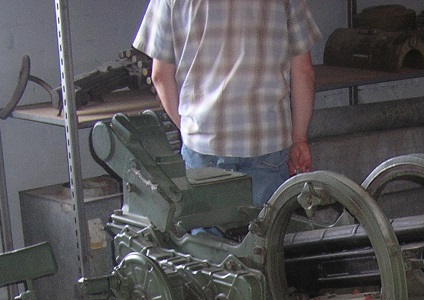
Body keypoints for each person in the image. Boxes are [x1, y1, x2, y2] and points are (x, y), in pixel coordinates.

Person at [133, 0, 321, 205]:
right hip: (268, 142)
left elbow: (160, 76)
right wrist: (299, 139)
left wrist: (187, 126)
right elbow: (304, 71)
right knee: (268, 225)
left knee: (208, 226)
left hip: (204, 143)